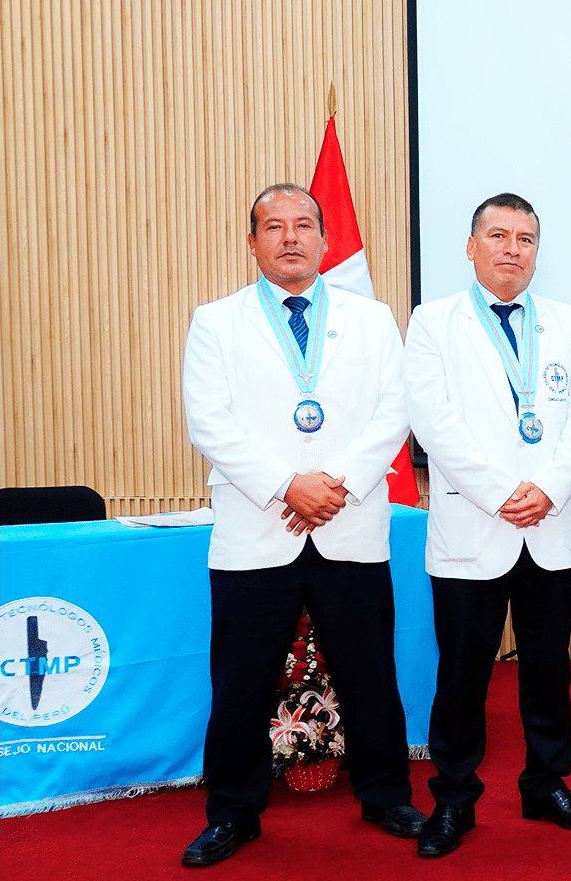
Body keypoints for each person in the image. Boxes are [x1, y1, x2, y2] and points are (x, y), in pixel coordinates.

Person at [180, 183, 421, 866]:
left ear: (323, 239)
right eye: (274, 226)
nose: (291, 237)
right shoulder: (215, 322)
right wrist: (288, 485)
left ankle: (385, 793)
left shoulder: (372, 320)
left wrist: (331, 486)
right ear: (251, 241)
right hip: (258, 531)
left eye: (304, 225)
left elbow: (392, 412)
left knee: (371, 672)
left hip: (348, 525)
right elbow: (210, 421)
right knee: (240, 682)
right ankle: (232, 811)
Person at [403, 193, 571, 856]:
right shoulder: (434, 323)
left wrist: (546, 489)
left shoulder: (567, 322)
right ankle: (454, 798)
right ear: (471, 246)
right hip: (472, 528)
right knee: (461, 676)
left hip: (549, 530)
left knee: (548, 669)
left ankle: (546, 785)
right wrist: (500, 493)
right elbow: (434, 421)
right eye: (498, 234)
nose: (512, 248)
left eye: (525, 238)